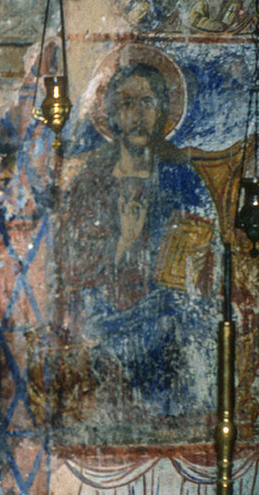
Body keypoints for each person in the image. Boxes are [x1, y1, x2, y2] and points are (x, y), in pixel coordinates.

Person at [56, 58, 217, 418]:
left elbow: (208, 250)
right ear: (113, 114)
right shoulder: (91, 183)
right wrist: (123, 242)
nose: (138, 114)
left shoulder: (182, 179)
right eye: (128, 104)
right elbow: (72, 265)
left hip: (171, 309)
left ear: (162, 110)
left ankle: (185, 423)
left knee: (189, 326)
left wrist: (198, 260)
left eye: (147, 102)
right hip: (109, 318)